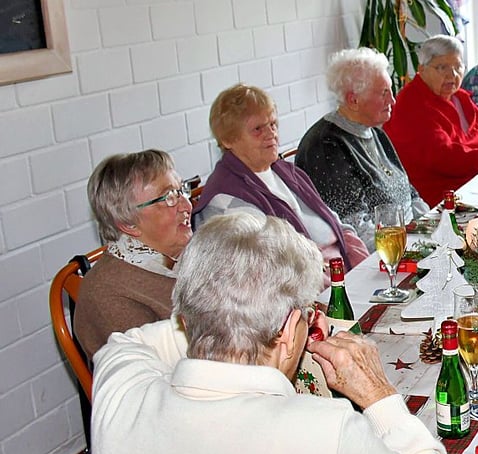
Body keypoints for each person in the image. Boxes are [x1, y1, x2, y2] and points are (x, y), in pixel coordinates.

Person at [91, 213, 475, 454]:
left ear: (186, 316)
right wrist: (380, 397)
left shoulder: (118, 388)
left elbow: (133, 342)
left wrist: (216, 323)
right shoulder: (325, 434)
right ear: (291, 331)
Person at [194, 83, 369, 273]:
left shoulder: (286, 172)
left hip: (343, 274)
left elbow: (336, 224)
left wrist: (364, 267)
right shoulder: (225, 199)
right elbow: (275, 271)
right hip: (312, 291)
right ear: (228, 140)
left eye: (273, 124)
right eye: (258, 129)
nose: (271, 134)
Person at [296, 48, 430, 247]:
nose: (392, 100)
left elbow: (409, 193)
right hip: (378, 257)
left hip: (409, 242)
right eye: (384, 93)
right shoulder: (327, 146)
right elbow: (355, 229)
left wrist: (430, 226)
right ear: (353, 100)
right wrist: (413, 245)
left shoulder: (374, 132)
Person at [75, 150, 193, 359]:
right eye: (169, 198)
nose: (187, 205)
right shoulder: (108, 295)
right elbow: (163, 377)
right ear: (128, 224)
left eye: (182, 191)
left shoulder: (183, 257)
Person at [384, 35, 478, 207]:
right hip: (437, 202)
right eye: (442, 67)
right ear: (421, 69)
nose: (453, 74)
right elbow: (446, 160)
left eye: (458, 66)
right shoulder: (411, 104)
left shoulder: (462, 99)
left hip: (473, 188)